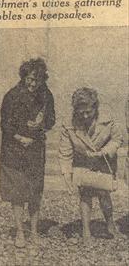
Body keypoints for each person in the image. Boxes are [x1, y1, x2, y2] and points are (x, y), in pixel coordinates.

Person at [0, 58, 55, 250]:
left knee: (34, 192)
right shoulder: (11, 96)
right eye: (30, 79)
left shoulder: (46, 95)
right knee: (17, 193)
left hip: (36, 150)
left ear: (43, 79)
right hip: (13, 150)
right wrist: (20, 137)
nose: (33, 84)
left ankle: (33, 232)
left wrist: (42, 123)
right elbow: (5, 125)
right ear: (24, 77)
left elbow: (51, 121)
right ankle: (20, 233)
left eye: (38, 80)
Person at [60, 87, 123, 243]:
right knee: (85, 194)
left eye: (89, 111)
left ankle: (110, 225)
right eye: (81, 113)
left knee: (104, 193)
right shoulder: (68, 124)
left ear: (96, 107)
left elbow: (117, 140)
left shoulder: (109, 120)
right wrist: (67, 176)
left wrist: (105, 151)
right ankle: (85, 231)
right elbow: (65, 152)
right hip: (82, 161)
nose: (85, 116)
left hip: (104, 159)